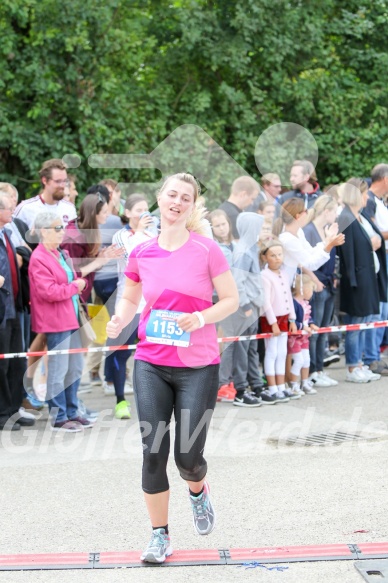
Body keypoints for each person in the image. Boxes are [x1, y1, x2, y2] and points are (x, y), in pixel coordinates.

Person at [106, 172, 239, 564]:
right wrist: (119, 320)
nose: (177, 202)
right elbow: (130, 298)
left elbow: (230, 300)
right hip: (150, 362)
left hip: (197, 366)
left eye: (185, 197)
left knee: (187, 457)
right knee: (152, 452)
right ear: (159, 199)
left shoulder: (206, 250)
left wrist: (201, 318)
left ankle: (198, 490)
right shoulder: (141, 252)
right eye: (171, 194)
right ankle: (159, 536)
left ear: (192, 205)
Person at [28, 211, 93, 431]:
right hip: (55, 320)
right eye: (57, 228)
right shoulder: (38, 258)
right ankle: (59, 416)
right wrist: (76, 286)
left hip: (71, 316)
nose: (62, 232)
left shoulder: (60, 253)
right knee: (57, 370)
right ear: (44, 231)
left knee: (75, 368)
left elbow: (70, 278)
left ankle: (73, 411)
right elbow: (49, 292)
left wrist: (75, 283)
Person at [106, 194, 156, 419]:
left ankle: (153, 398)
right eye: (139, 210)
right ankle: (120, 400)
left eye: (147, 209)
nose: (144, 214)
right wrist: (139, 232)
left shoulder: (155, 233)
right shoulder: (121, 235)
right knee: (121, 353)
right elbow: (132, 260)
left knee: (153, 353)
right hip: (127, 305)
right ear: (127, 213)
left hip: (152, 304)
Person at [337, 178, 387, 382]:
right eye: (364, 193)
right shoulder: (346, 218)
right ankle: (351, 367)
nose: (367, 197)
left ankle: (360, 363)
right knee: (355, 324)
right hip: (356, 279)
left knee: (366, 321)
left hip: (370, 276)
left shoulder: (362, 215)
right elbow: (348, 252)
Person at [0, 191, 35, 430]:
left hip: (14, 306)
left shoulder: (6, 234)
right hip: (2, 309)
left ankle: (13, 410)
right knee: (2, 364)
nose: (12, 211)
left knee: (16, 363)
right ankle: (3, 413)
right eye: (7, 208)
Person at [303, 195, 341, 387]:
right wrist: (315, 280)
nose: (336, 215)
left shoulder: (327, 230)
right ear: (326, 211)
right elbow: (305, 260)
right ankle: (311, 370)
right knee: (315, 330)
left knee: (324, 329)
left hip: (327, 283)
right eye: (334, 211)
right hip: (316, 284)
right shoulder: (309, 231)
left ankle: (319, 368)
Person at [260, 240, 300, 402]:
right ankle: (272, 388)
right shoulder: (264, 276)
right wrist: (273, 323)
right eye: (273, 255)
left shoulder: (284, 273)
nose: (277, 258)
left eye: (279, 255)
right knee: (271, 353)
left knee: (282, 353)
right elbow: (266, 302)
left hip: (284, 318)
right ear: (265, 258)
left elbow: (288, 297)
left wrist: (292, 318)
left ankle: (282, 387)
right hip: (271, 319)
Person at [273, 198, 344, 286]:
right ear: (298, 216)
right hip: (281, 284)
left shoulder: (298, 231)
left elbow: (310, 252)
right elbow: (310, 264)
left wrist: (327, 241)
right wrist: (329, 245)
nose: (308, 212)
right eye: (305, 211)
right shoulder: (287, 239)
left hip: (287, 282)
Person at [208, 209, 236, 402]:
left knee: (230, 342)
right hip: (217, 299)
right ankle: (219, 383)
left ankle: (227, 379)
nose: (221, 228)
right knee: (220, 342)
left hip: (233, 298)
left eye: (223, 224)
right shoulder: (213, 248)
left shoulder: (235, 246)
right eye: (217, 226)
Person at [13, 158, 76, 229]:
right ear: (44, 180)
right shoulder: (26, 209)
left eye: (65, 181)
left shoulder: (69, 209)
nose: (62, 185)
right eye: (58, 181)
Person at [287, 274, 319, 395]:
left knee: (307, 360)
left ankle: (304, 382)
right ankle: (294, 384)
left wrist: (311, 324)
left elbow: (307, 317)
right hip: (294, 338)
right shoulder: (294, 304)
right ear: (305, 289)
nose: (312, 293)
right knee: (299, 360)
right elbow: (292, 321)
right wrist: (303, 326)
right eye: (311, 290)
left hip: (304, 337)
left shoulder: (305, 303)